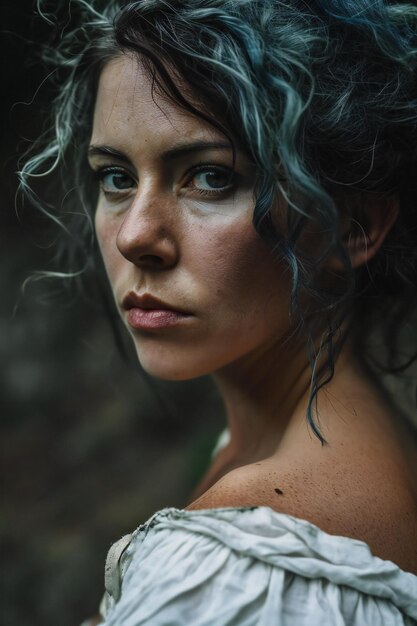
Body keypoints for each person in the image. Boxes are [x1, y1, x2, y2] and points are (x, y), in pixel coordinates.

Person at [21, 1, 417, 624]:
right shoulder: (314, 441)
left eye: (209, 177)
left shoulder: (248, 559)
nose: (134, 236)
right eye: (116, 176)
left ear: (353, 224)